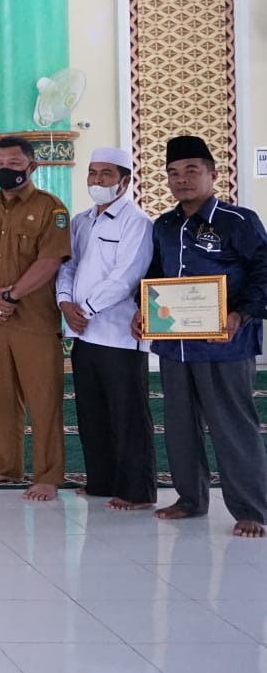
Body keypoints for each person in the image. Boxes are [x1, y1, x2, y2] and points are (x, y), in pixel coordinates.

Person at [136, 135, 267, 538]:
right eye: (174, 172)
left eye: (192, 170)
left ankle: (252, 509)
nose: (182, 180)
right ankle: (190, 499)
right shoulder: (165, 224)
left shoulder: (237, 221)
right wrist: (143, 310)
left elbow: (263, 273)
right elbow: (152, 276)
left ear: (212, 174)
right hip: (175, 345)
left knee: (232, 425)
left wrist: (240, 314)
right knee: (179, 424)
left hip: (224, 343)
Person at [0, 136, 72, 501]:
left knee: (43, 399)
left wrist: (11, 295)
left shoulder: (50, 209)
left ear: (31, 166)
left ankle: (48, 474)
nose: (4, 169)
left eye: (13, 163)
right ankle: (7, 466)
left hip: (34, 319)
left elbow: (50, 261)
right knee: (2, 397)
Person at [57, 147, 156, 510]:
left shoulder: (137, 222)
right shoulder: (81, 221)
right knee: (92, 412)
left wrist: (86, 308)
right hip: (83, 333)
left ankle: (137, 491)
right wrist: (65, 304)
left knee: (127, 414)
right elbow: (66, 266)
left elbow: (127, 275)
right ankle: (101, 482)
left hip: (118, 335)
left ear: (124, 181)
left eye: (106, 174)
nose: (97, 181)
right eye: (92, 173)